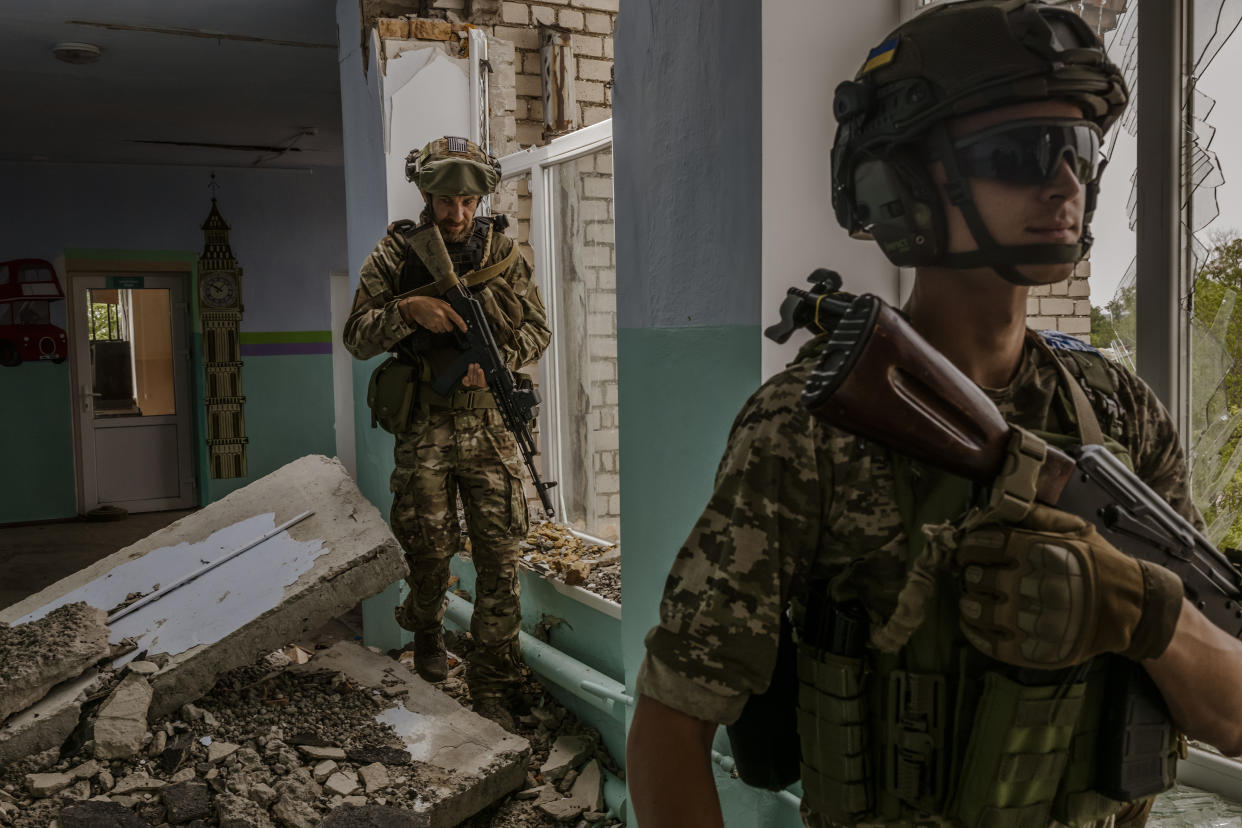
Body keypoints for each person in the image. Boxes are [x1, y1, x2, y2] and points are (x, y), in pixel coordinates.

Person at [626, 2, 1242, 826]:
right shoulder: (809, 428)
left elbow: (1230, 714)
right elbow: (670, 725)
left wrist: (1135, 610)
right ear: (903, 186)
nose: (1065, 182)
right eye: (1022, 153)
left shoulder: (1119, 413)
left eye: (1079, 152)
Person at [343, 136, 550, 730]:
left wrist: (502, 357)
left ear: (481, 198)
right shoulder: (393, 255)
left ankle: (494, 683)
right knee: (429, 552)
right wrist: (410, 310)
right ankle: (427, 636)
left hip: (490, 428)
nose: (456, 214)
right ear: (425, 196)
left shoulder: (507, 255)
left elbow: (538, 329)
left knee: (500, 558)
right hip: (426, 428)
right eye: (443, 201)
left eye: (466, 201)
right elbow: (357, 337)